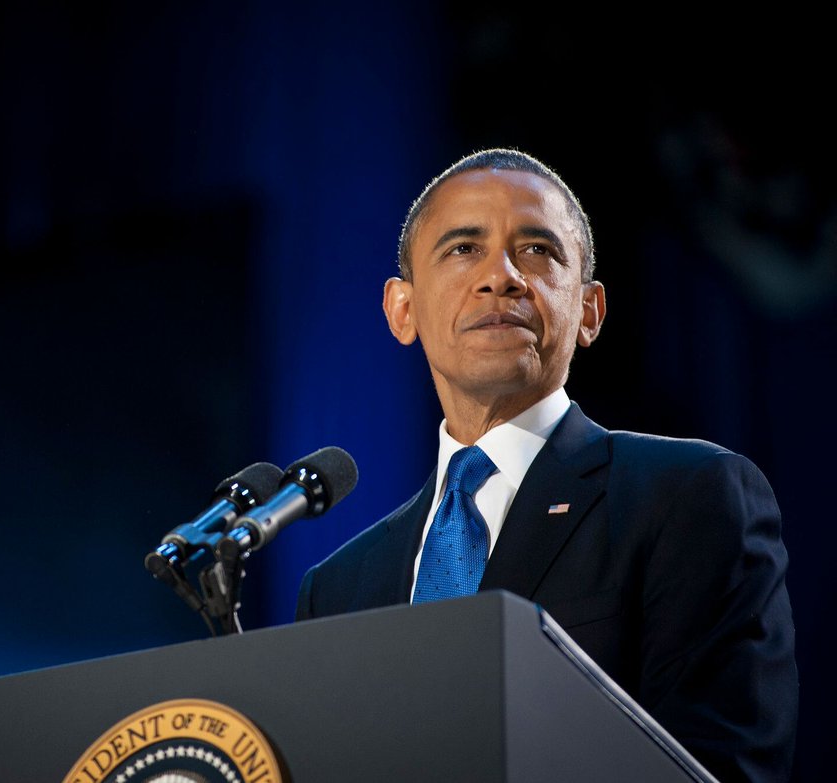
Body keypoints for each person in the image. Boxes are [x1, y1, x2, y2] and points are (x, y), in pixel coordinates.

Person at [294, 148, 798, 782]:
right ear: (402, 309)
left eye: (536, 250)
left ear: (589, 311)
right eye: (463, 249)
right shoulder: (338, 588)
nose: (500, 277)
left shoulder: (687, 497)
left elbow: (723, 764)